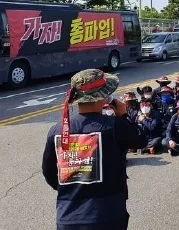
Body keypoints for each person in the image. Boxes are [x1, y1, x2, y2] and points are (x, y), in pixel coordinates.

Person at [41, 69, 145, 230]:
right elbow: (140, 139)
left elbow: (48, 172)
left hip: (68, 216)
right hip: (107, 215)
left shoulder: (56, 130)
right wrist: (124, 116)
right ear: (103, 98)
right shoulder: (114, 126)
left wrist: (71, 187)